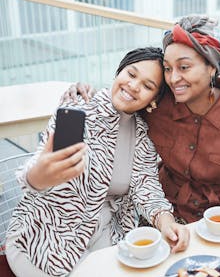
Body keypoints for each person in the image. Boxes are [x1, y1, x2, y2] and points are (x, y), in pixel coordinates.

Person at [64, 15, 220, 240]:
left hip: (219, 220)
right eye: (167, 68)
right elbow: (127, 96)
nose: (174, 78)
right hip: (162, 214)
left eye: (184, 67)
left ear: (212, 68)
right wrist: (86, 93)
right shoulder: (157, 103)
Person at [6, 47, 190, 277]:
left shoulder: (142, 134)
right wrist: (37, 177)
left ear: (153, 100)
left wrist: (166, 222)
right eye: (131, 75)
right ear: (119, 72)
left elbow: (147, 188)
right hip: (44, 239)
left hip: (104, 240)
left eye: (147, 86)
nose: (134, 86)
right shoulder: (77, 106)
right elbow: (41, 170)